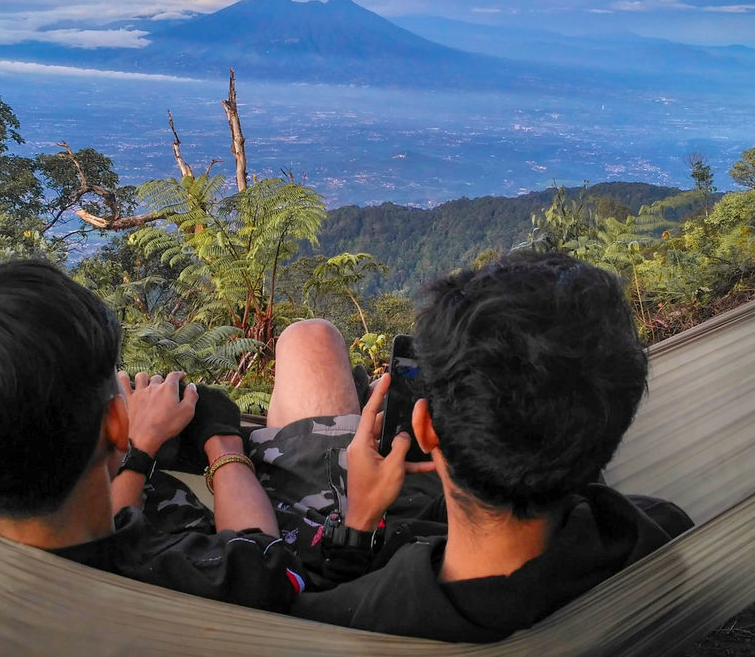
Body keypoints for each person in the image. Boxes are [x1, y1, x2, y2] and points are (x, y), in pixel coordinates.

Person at [253, 250, 691, 641]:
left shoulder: (365, 613)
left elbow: (306, 591)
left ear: (423, 428)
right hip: (486, 496)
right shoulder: (653, 532)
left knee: (307, 339)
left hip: (365, 521)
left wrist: (358, 524)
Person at [0, 259, 305, 611]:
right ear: (117, 423)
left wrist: (139, 447)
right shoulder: (198, 574)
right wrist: (220, 437)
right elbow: (264, 554)